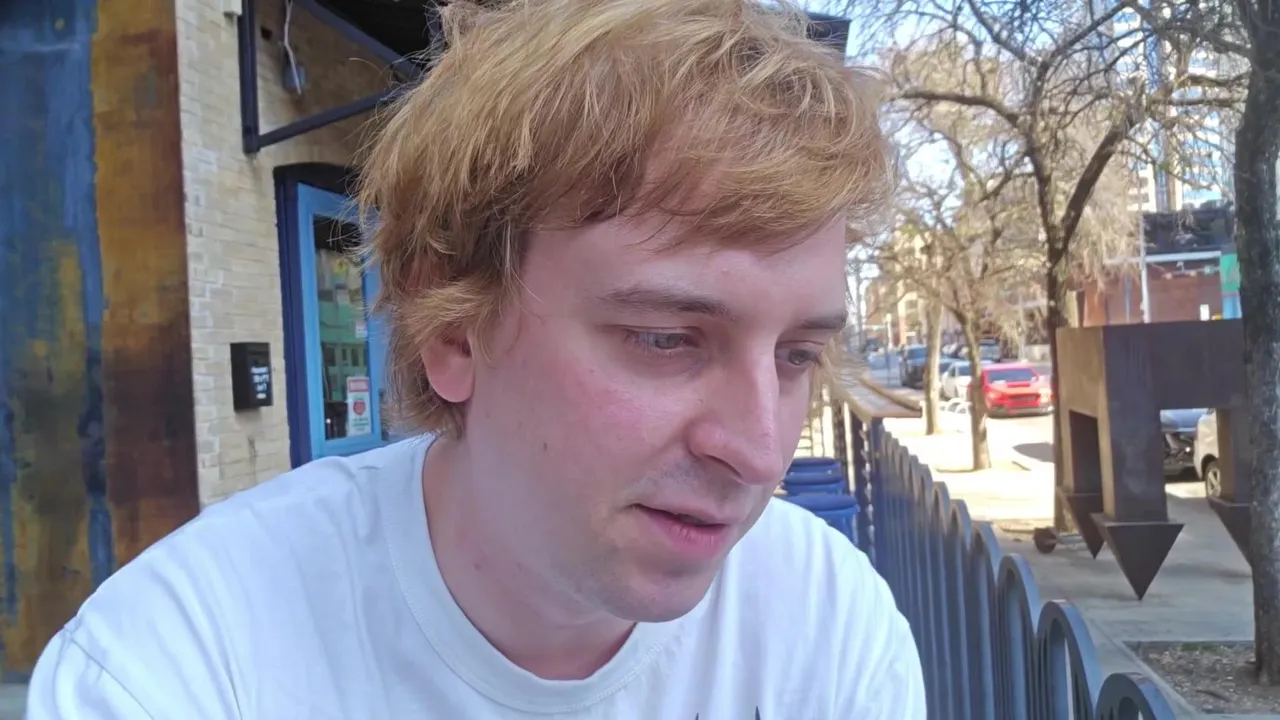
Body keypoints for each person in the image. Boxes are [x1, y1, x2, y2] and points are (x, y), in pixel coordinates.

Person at [27, 0, 925, 717]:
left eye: (798, 355)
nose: (760, 451)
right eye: (665, 338)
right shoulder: (178, 663)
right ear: (453, 330)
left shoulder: (823, 626)